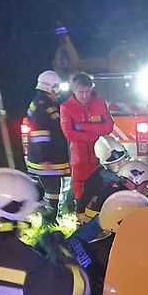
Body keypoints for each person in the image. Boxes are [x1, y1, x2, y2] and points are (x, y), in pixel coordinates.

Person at [60, 72, 115, 210]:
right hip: (79, 160)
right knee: (81, 193)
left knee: (101, 190)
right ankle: (80, 216)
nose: (85, 95)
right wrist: (96, 133)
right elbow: (70, 134)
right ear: (74, 90)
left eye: (87, 91)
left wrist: (82, 127)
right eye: (81, 92)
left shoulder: (100, 103)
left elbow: (109, 127)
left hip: (100, 157)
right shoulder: (66, 107)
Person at [24, 70, 70, 225]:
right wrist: (45, 159)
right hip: (46, 158)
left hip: (50, 156)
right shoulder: (42, 104)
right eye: (57, 86)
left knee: (53, 188)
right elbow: (40, 135)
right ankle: (48, 221)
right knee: (52, 190)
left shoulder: (46, 102)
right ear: (50, 87)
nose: (59, 90)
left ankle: (50, 217)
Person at [78, 135, 130, 217]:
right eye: (114, 162)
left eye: (122, 159)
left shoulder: (129, 171)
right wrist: (81, 213)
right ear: (103, 164)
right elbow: (85, 199)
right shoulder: (97, 180)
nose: (120, 164)